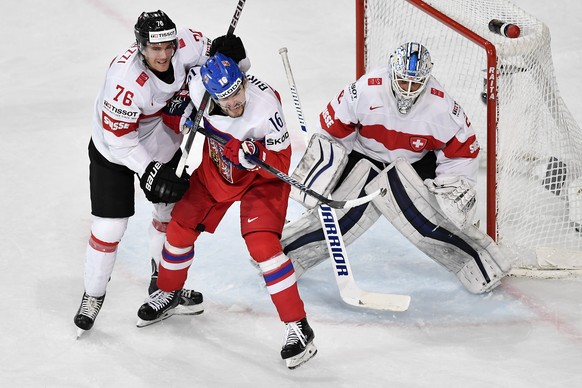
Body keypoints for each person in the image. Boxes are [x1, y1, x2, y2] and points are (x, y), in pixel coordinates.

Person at [281, 41, 510, 294]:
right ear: (391, 73)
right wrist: (327, 170)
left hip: (414, 163)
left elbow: (462, 151)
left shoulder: (442, 107)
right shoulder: (365, 91)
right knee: (342, 219)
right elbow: (332, 132)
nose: (409, 90)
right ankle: (282, 257)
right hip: (363, 155)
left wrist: (452, 186)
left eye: (416, 84)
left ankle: (481, 266)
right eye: (403, 82)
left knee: (429, 221)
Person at [136, 53, 317, 369]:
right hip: (216, 172)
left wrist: (254, 154)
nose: (234, 103)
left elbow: (280, 164)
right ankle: (170, 293)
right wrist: (180, 115)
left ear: (244, 82)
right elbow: (181, 85)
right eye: (225, 98)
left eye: (237, 93)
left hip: (262, 181)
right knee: (180, 226)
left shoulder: (266, 108)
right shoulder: (199, 89)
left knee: (264, 248)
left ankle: (299, 328)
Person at [74, 10, 249, 335]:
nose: (164, 54)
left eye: (167, 46)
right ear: (140, 46)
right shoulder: (124, 82)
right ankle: (92, 295)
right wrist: (149, 171)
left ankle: (163, 288)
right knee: (110, 227)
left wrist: (237, 58)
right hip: (113, 146)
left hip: (160, 135)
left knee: (168, 211)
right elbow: (120, 143)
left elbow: (220, 69)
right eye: (155, 49)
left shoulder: (189, 42)